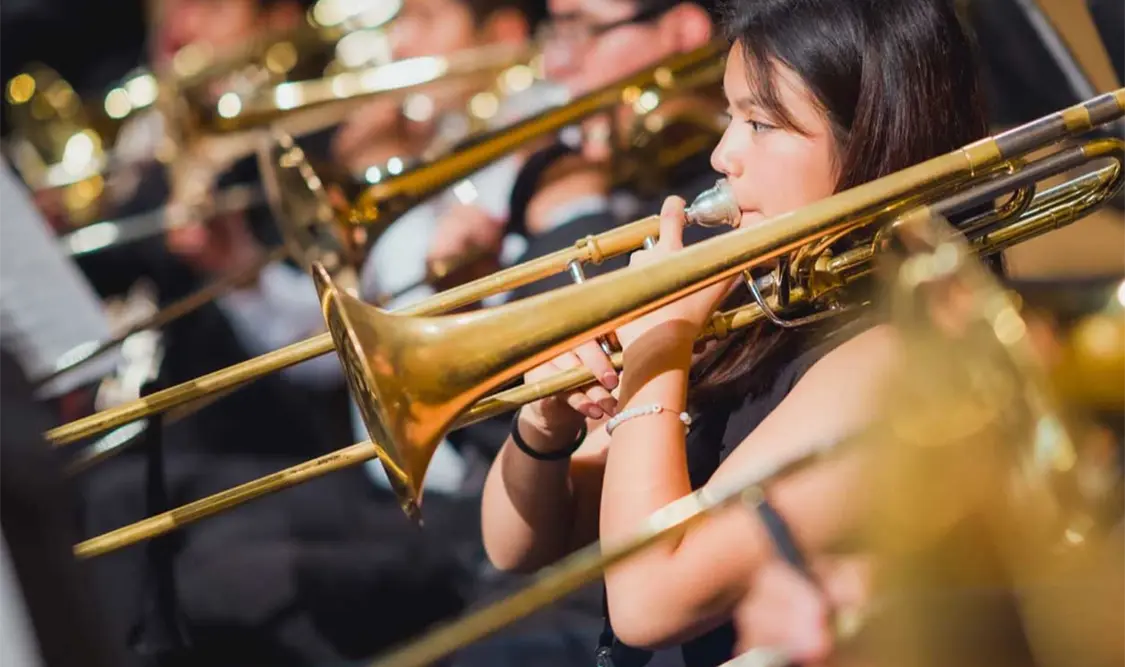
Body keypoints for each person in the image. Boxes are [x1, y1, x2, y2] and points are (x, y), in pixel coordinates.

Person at [478, 2, 990, 667]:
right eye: (728, 115)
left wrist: (657, 348)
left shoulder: (886, 359)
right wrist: (543, 426)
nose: (722, 154)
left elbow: (647, 600)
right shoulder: (760, 299)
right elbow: (518, 546)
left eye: (759, 122)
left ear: (870, 144)